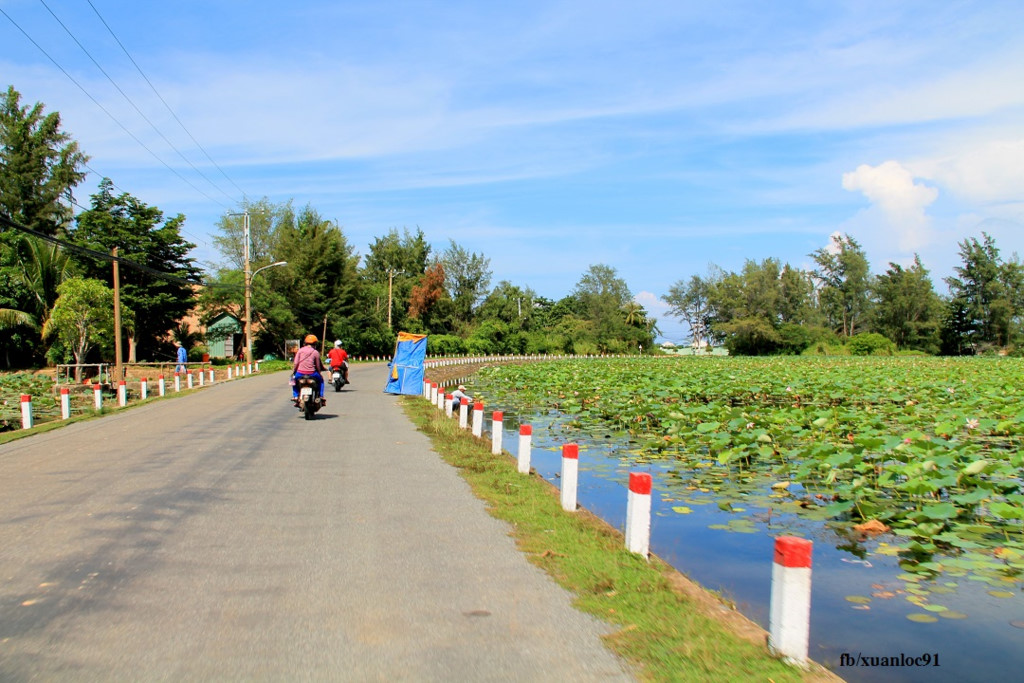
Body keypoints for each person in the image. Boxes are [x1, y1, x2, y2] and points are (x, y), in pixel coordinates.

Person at [292, 334, 326, 405]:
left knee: (292, 380)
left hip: (300, 373)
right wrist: (319, 373)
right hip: (312, 374)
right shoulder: (315, 352)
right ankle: (321, 396)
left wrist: (294, 371)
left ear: (305, 343)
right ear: (315, 344)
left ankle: (295, 396)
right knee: (321, 381)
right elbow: (317, 365)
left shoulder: (300, 351)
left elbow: (296, 363)